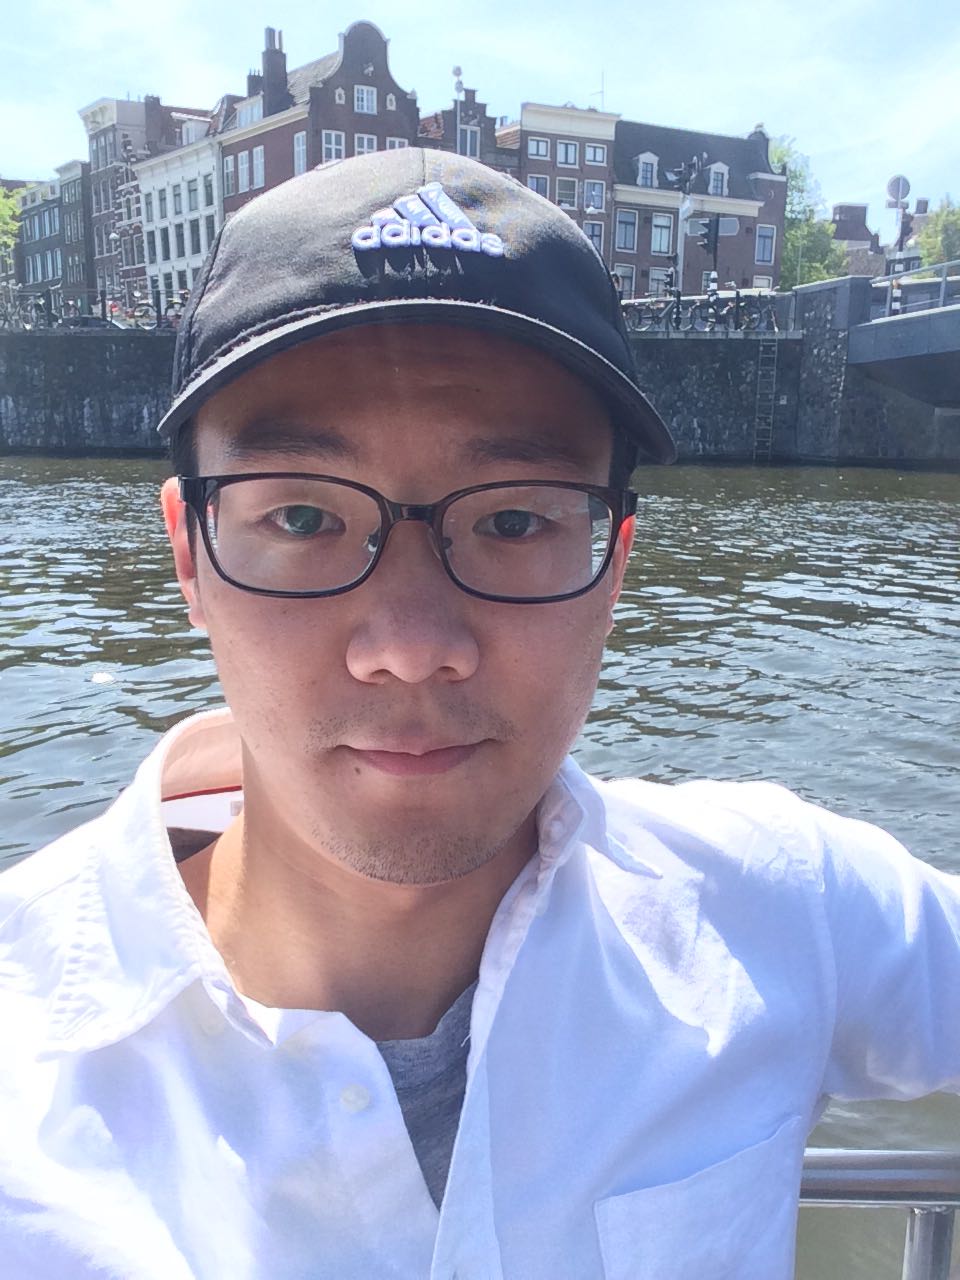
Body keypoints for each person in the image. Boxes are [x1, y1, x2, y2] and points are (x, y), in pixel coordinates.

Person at [0, 150, 958, 1280]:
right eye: (302, 517)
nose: (411, 644)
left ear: (614, 567)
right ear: (189, 556)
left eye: (512, 523)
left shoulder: (786, 903)